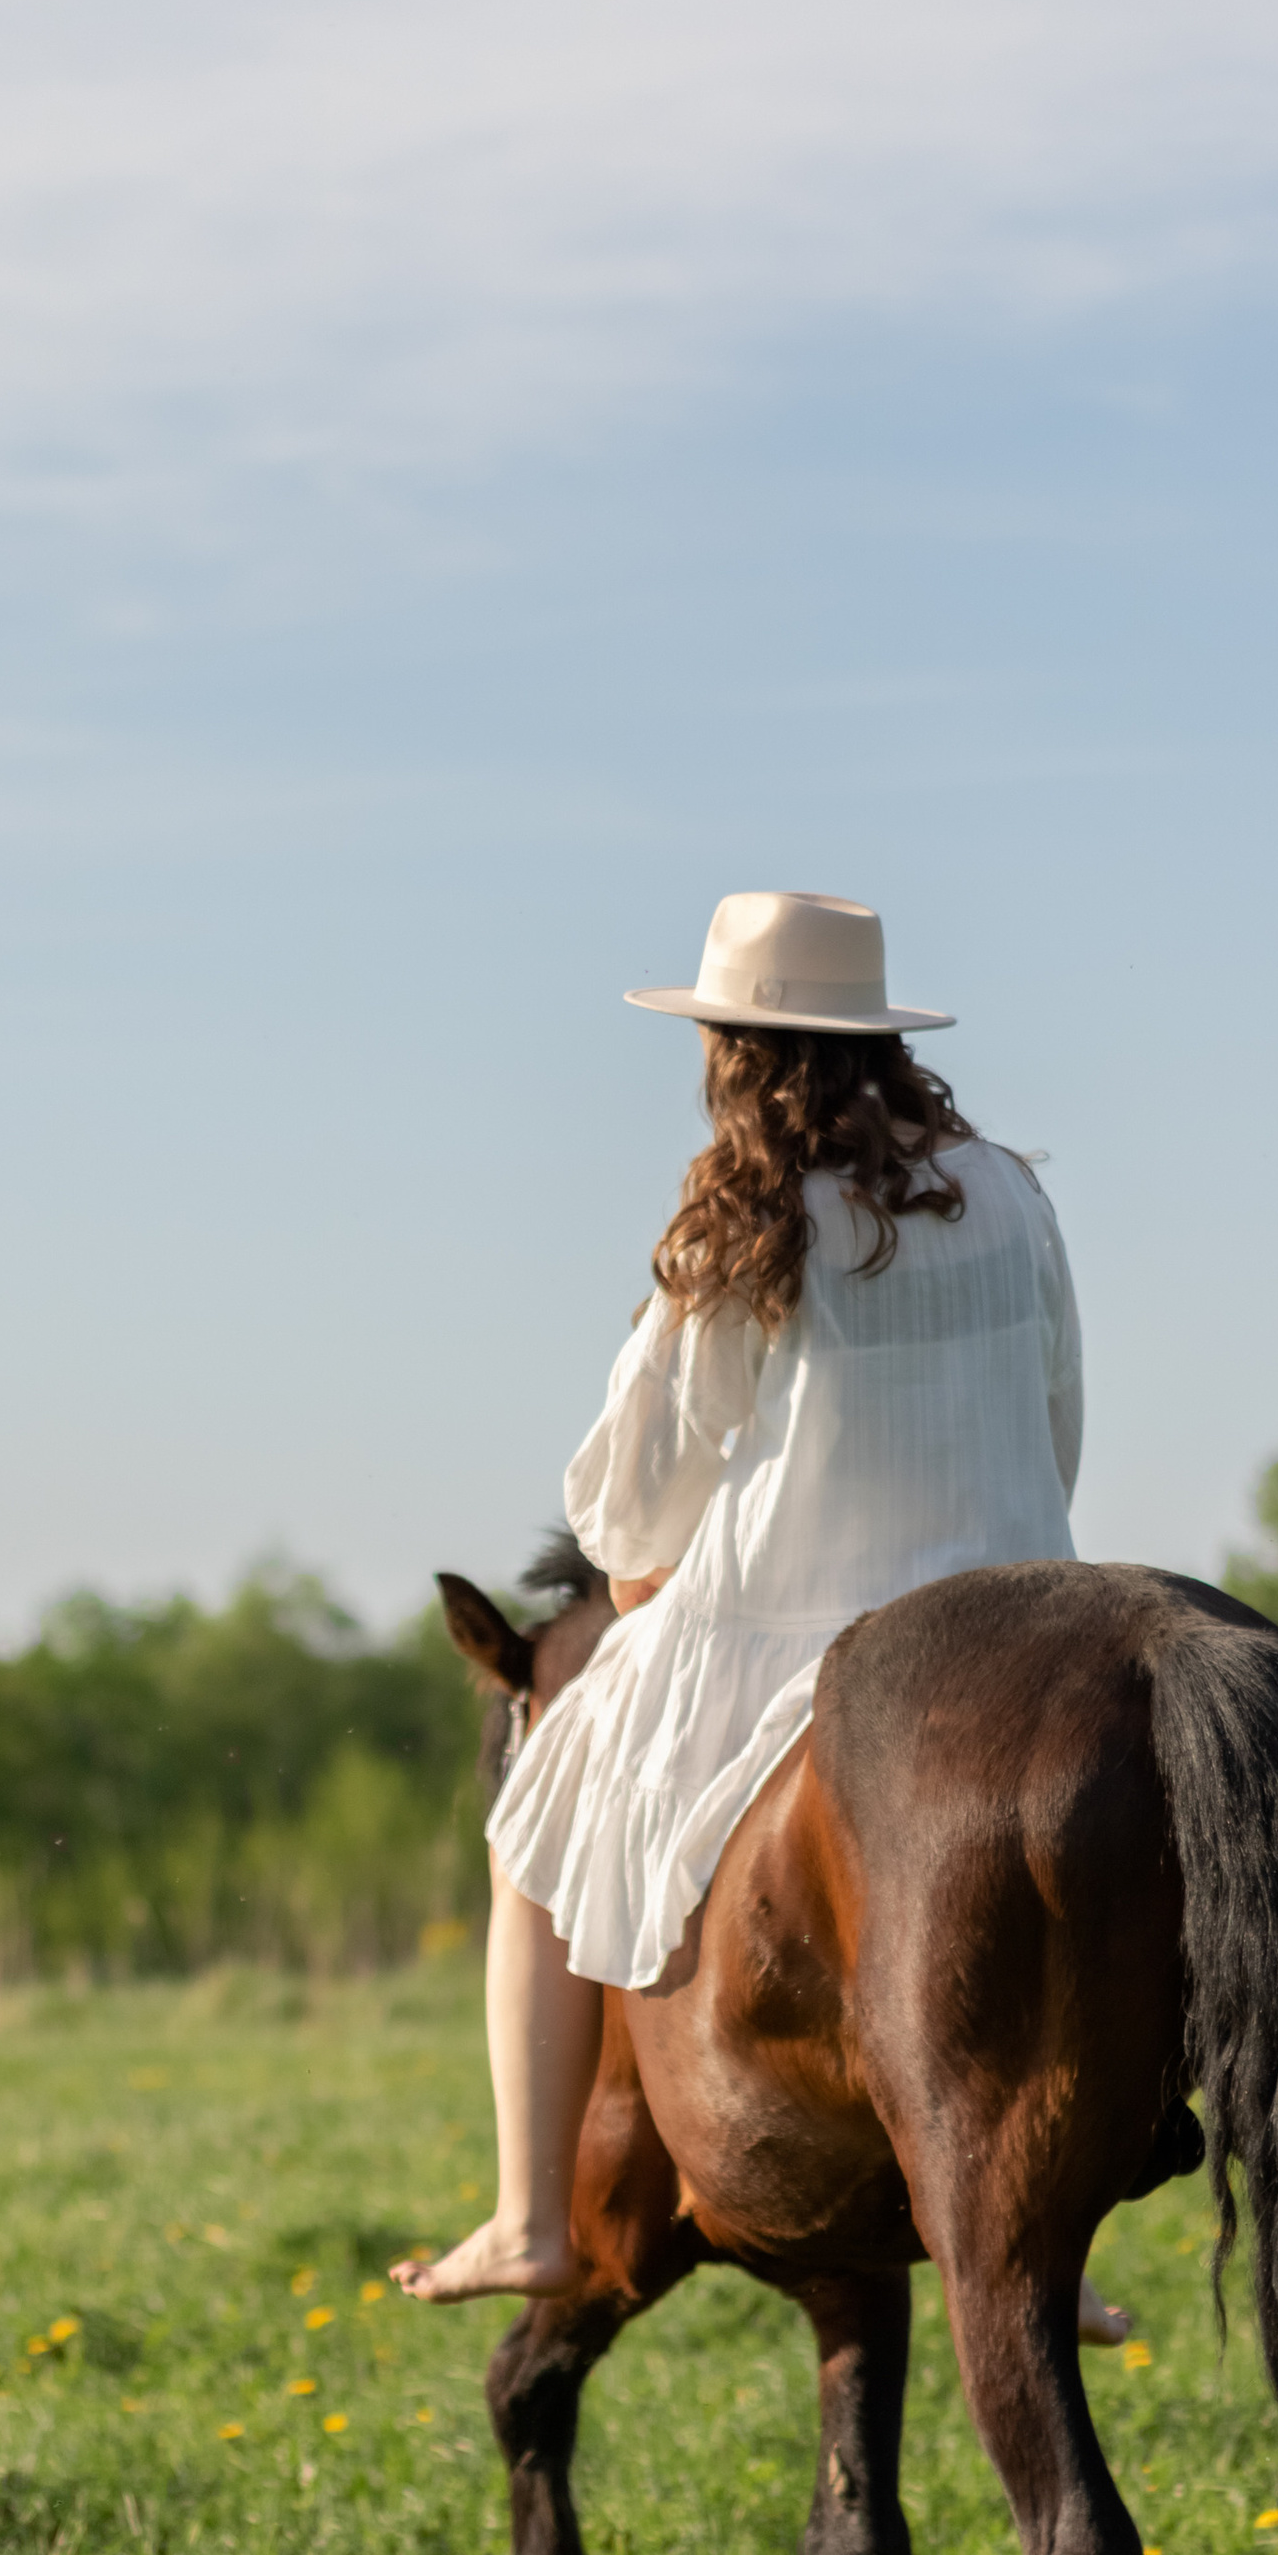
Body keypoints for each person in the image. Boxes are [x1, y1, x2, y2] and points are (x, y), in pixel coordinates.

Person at [395, 890, 1133, 2344]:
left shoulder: (741, 1219)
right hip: (1017, 1619)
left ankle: (533, 2216)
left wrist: (648, 1577)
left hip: (788, 1634)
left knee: (535, 1818)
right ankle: (1064, 2239)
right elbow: (1061, 1430)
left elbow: (626, 1520)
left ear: (732, 1051)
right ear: (880, 1043)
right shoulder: (1012, 1197)